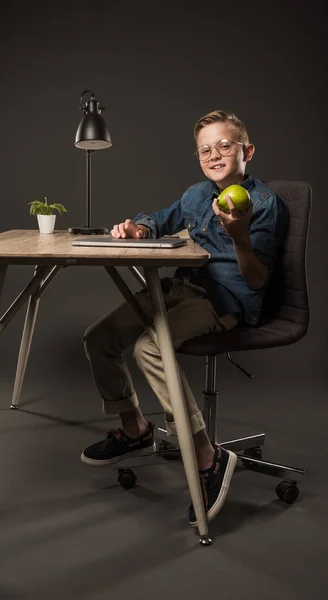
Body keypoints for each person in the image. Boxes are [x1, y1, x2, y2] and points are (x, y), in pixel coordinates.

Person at [81, 110, 288, 525]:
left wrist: (240, 236)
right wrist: (139, 229)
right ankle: (135, 428)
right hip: (179, 288)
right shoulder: (196, 194)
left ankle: (207, 458)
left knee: (150, 347)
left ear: (246, 151)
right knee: (98, 338)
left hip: (224, 299)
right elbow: (159, 220)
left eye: (224, 146)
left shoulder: (264, 205)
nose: (215, 155)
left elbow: (256, 280)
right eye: (205, 149)